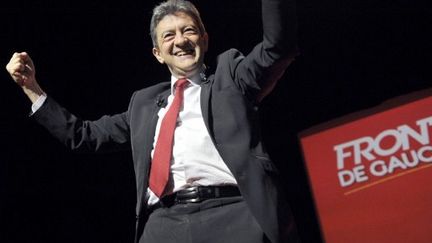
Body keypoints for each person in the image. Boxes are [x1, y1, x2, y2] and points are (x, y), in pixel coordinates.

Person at [5, 0, 299, 242]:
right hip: (163, 224)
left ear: (205, 39)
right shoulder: (144, 104)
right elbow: (83, 135)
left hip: (233, 216)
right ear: (158, 54)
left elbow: (277, 47)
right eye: (169, 36)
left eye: (189, 31)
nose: (181, 40)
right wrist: (32, 87)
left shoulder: (231, 77)